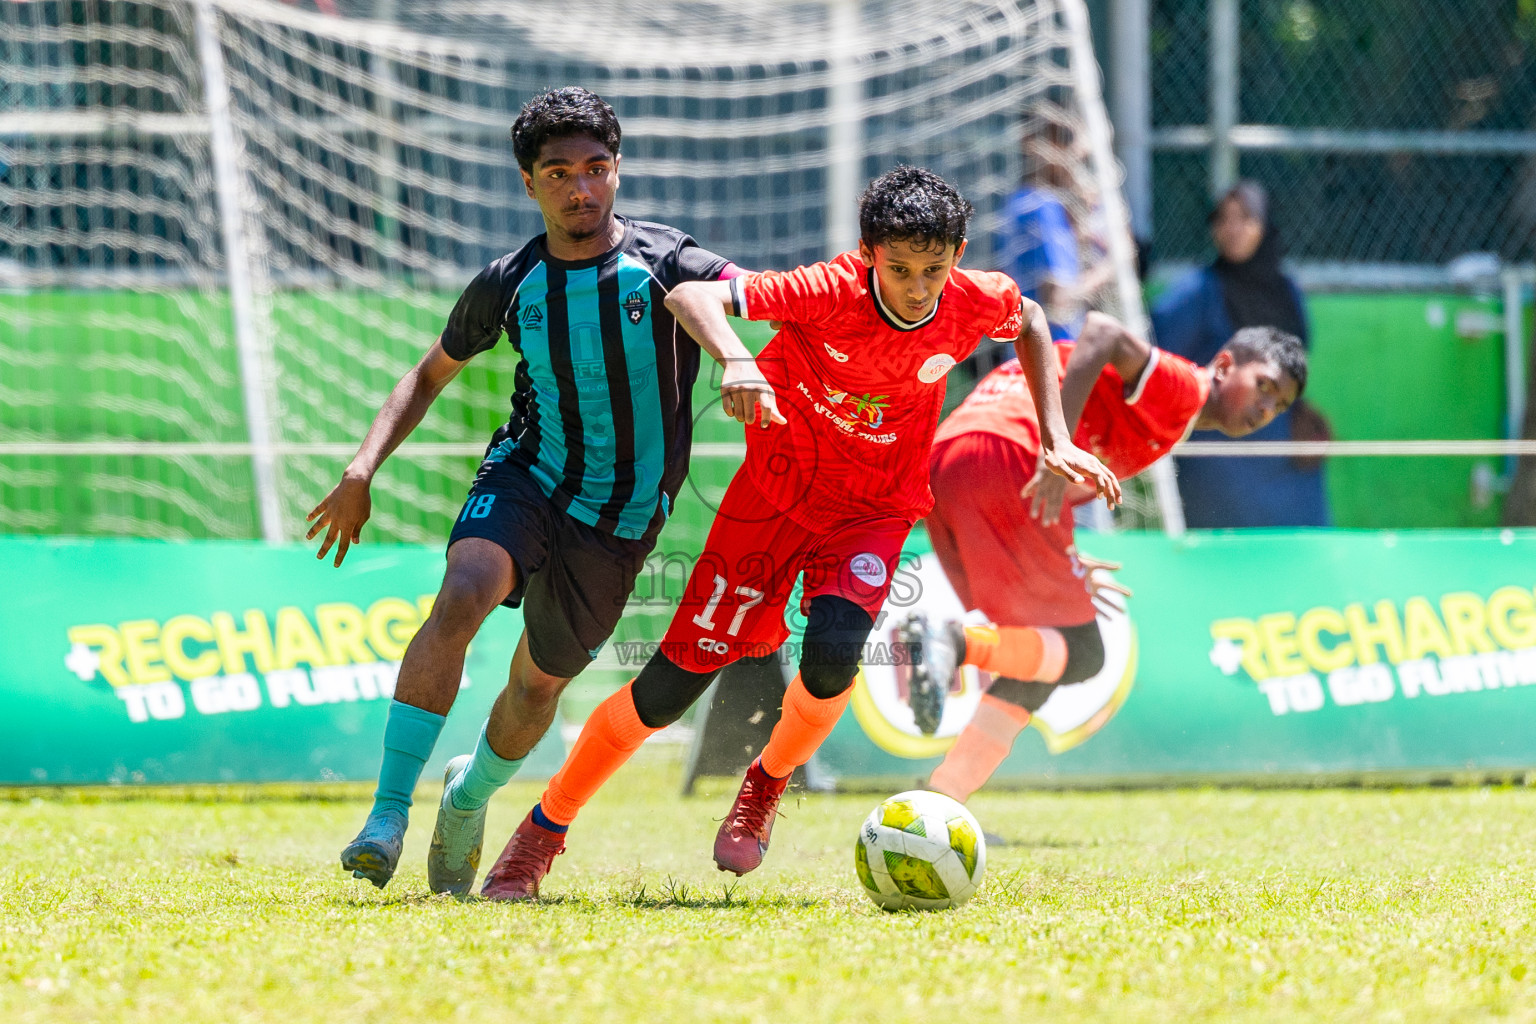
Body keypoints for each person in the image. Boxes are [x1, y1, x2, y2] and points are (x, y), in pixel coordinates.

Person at [470, 165, 1121, 901]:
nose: (917, 287)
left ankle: (766, 783)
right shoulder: (826, 289)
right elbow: (690, 294)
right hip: (770, 506)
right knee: (664, 693)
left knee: (835, 657)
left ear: (958, 255)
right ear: (868, 252)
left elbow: (1031, 319)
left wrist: (1054, 437)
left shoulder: (973, 300)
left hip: (875, 513)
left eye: (933, 270)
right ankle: (542, 831)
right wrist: (740, 360)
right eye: (899, 268)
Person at [306, 87, 777, 892]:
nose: (581, 188)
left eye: (596, 168)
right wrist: (361, 469)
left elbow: (756, 293)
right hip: (528, 473)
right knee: (462, 593)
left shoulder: (666, 258)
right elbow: (428, 375)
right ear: (530, 184)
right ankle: (386, 814)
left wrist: (745, 354)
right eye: (559, 172)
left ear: (618, 171)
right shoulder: (509, 281)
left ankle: (470, 795)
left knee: (536, 684)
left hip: (622, 519)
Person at [899, 313, 1306, 801]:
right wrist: (1059, 444)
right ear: (1223, 364)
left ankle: (944, 796)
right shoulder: (1183, 388)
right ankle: (955, 645)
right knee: (1084, 652)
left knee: (1046, 649)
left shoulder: (1173, 413)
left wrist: (1063, 555)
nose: (1265, 409)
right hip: (1013, 453)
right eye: (1263, 386)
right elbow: (1102, 332)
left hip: (954, 456)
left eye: (1278, 404)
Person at [1151, 180, 1330, 527]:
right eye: (1223, 219)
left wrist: (1301, 411)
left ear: (1265, 226)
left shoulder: (1286, 291)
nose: (1233, 229)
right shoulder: (1197, 293)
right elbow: (1156, 357)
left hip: (1283, 449)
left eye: (1245, 218)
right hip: (1218, 450)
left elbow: (1294, 363)